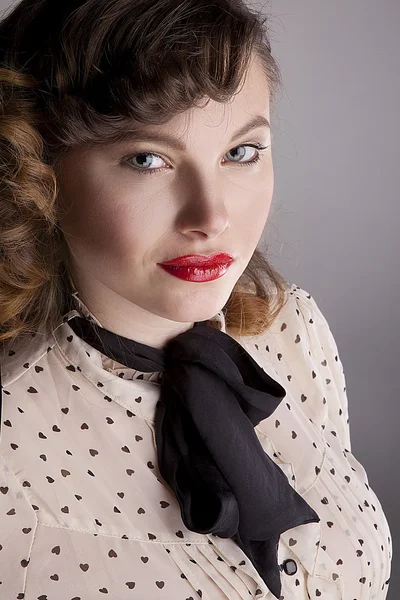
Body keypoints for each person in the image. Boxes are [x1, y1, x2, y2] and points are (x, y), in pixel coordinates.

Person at [0, 0, 392, 599]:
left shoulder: (294, 330)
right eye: (147, 160)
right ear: (37, 173)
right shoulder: (12, 452)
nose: (211, 217)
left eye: (241, 152)